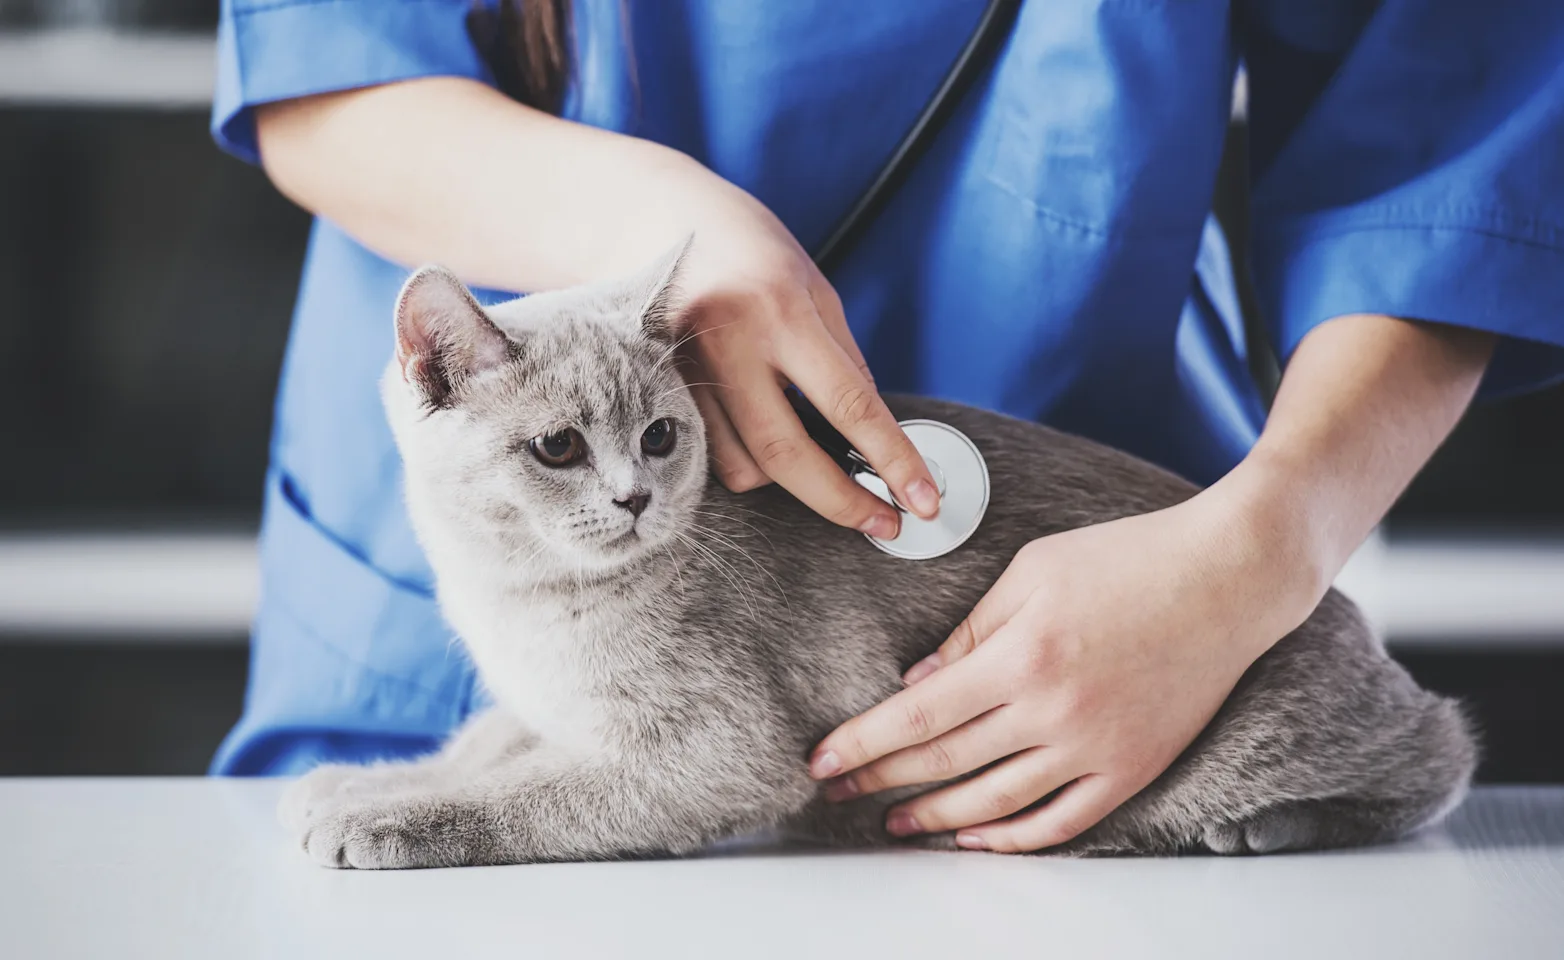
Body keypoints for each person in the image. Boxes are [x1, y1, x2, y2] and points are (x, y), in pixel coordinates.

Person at [211, 0, 1564, 853]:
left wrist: (1266, 545)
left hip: (1113, 581)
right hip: (509, 489)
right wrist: (656, 243)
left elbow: (1445, 164)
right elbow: (328, 63)